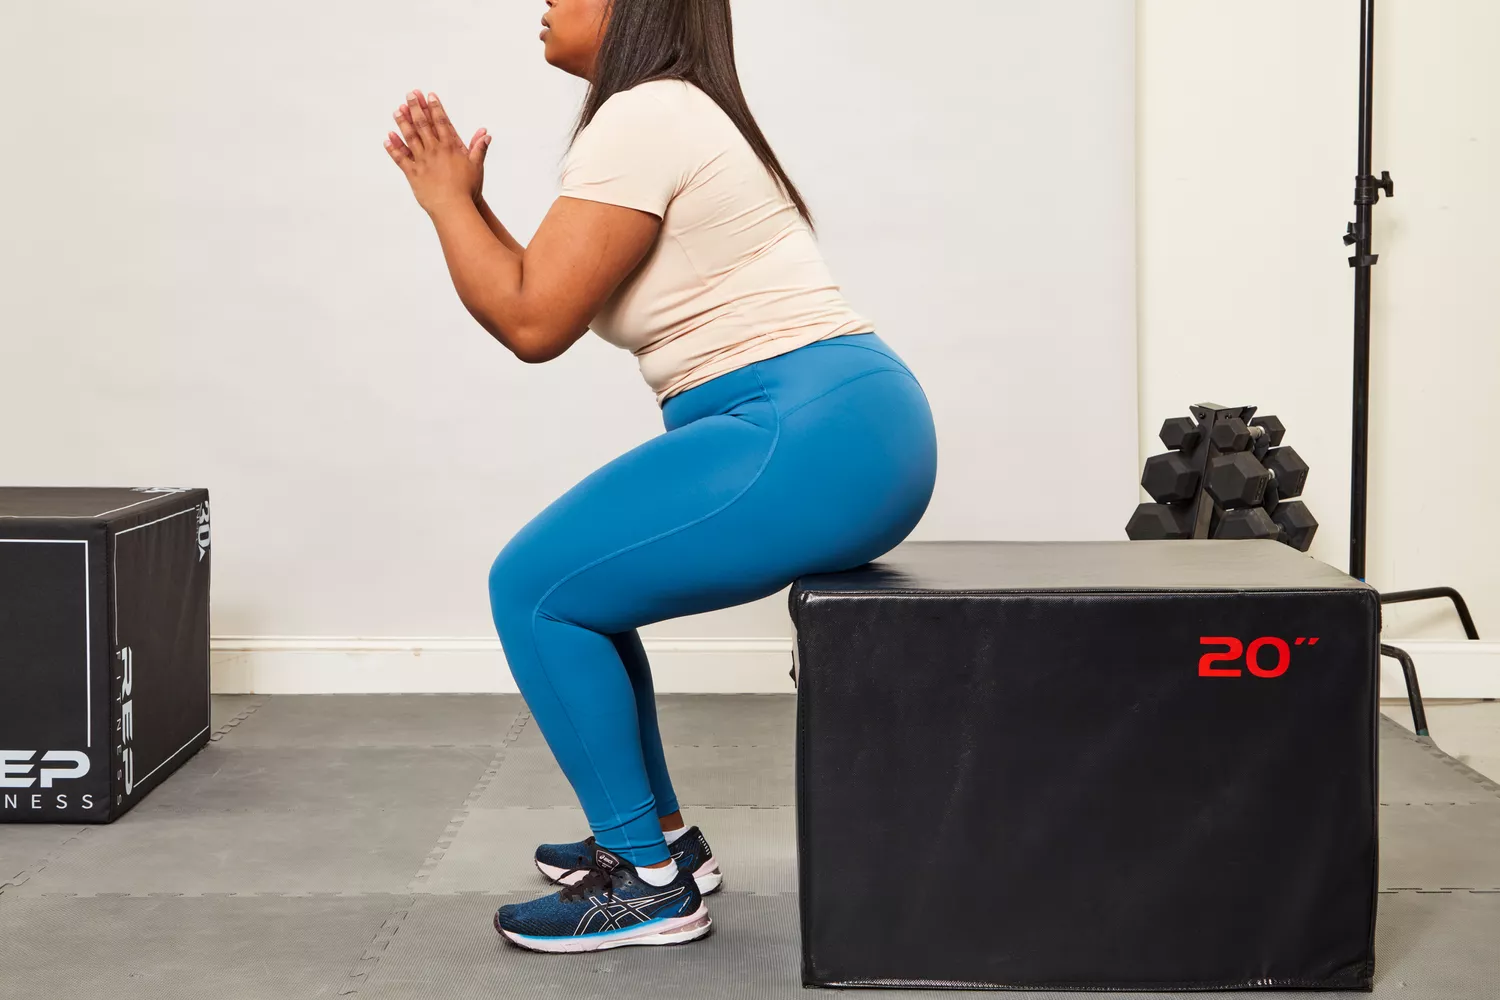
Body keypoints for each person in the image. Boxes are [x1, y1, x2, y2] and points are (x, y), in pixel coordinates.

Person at [384, 0, 937, 953]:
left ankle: (642, 883)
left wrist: (442, 201)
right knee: (587, 589)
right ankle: (664, 842)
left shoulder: (644, 116)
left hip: (799, 425)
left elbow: (531, 322)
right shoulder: (664, 111)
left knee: (535, 588)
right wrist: (468, 204)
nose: (547, 1)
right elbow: (548, 283)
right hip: (837, 421)